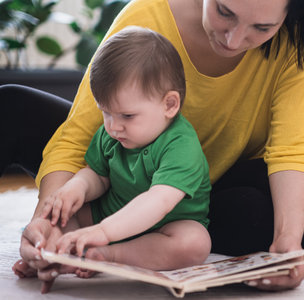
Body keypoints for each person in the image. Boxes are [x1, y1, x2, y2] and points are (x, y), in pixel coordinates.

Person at [3, 0, 304, 293]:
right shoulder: (146, 16)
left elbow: (295, 147)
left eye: (262, 28)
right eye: (224, 12)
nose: (235, 39)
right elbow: (81, 138)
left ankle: (138, 238)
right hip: (124, 165)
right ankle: (126, 234)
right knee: (12, 106)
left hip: (209, 187)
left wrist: (287, 244)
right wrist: (48, 220)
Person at [38, 25, 211, 278]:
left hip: (162, 229)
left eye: (127, 115)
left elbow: (158, 202)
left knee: (195, 242)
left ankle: (109, 256)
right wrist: (77, 188)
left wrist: (105, 233)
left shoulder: (181, 145)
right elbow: (97, 176)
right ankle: (51, 256)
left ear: (169, 105)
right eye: (105, 112)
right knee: (63, 216)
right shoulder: (112, 133)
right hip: (106, 216)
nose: (113, 126)